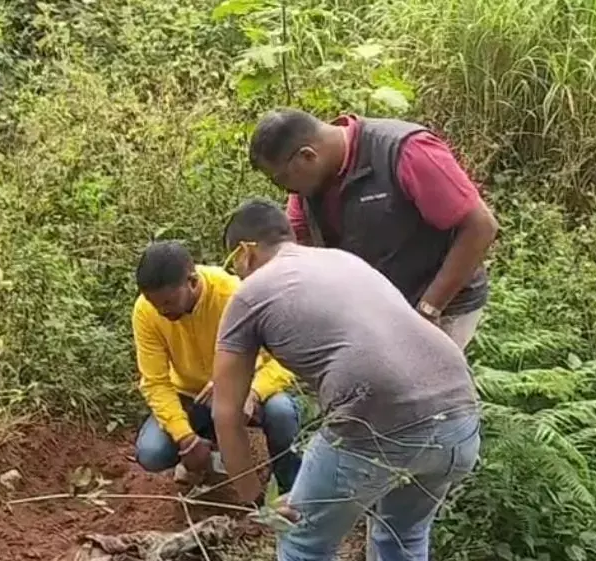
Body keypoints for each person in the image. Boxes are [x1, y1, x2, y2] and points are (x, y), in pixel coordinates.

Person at [210, 199, 481, 561]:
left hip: (378, 421)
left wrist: (257, 502)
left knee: (302, 543)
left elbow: (226, 413)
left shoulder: (250, 294)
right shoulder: (344, 260)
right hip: (460, 416)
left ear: (245, 252)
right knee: (404, 536)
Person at [248, 108, 499, 350]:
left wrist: (428, 311)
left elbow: (480, 226)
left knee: (418, 378)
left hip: (440, 305)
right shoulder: (309, 185)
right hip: (378, 310)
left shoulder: (404, 151)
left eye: (280, 179)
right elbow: (297, 247)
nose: (285, 190)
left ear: (308, 156)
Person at [131, 240, 302, 493]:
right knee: (152, 452)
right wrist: (185, 437)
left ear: (192, 282)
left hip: (244, 388)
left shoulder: (234, 296)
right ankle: (211, 458)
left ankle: (291, 489)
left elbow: (281, 359)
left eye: (168, 302)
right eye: (154, 303)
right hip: (192, 396)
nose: (161, 310)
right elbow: (155, 383)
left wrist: (253, 392)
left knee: (281, 413)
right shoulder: (147, 311)